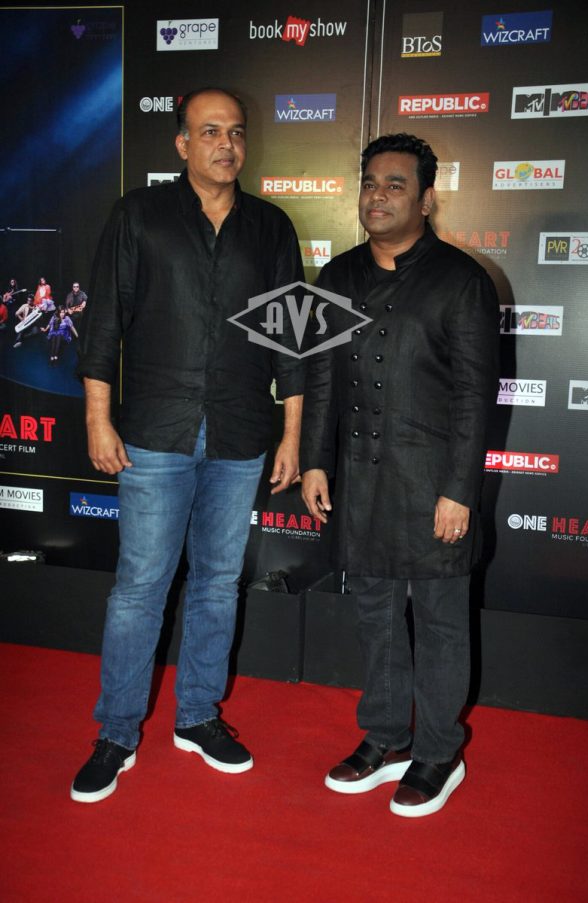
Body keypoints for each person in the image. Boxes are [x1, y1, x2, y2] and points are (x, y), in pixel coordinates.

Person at [72, 88, 304, 803]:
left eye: (235, 132)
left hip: (240, 432)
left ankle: (198, 715)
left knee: (217, 582)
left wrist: (293, 433)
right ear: (182, 144)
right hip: (154, 433)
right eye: (209, 132)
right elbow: (103, 324)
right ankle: (116, 731)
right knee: (140, 588)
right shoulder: (138, 214)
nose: (226, 144)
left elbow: (290, 343)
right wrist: (98, 419)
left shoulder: (270, 226)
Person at [301, 133, 499, 817]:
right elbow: (320, 379)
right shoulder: (336, 277)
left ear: (427, 199)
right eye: (370, 183)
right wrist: (316, 460)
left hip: (434, 483)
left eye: (395, 185)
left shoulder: (462, 281)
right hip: (359, 479)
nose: (378, 196)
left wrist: (459, 491)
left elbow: (474, 396)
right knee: (376, 614)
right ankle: (385, 737)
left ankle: (440, 751)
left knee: (441, 621)